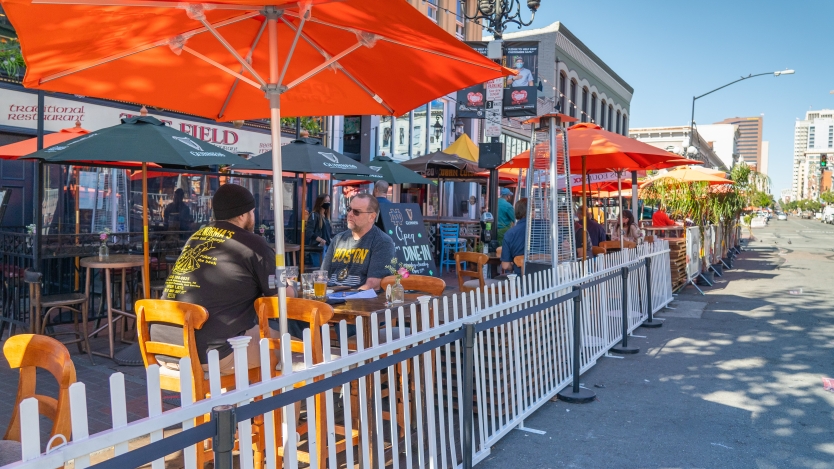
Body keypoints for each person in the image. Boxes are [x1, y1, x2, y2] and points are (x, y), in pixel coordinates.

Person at [156, 183, 292, 375]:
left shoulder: (196, 237)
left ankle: (236, 402)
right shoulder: (254, 244)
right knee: (291, 347)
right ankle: (277, 405)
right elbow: (282, 297)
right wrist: (292, 285)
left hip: (163, 348)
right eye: (252, 212)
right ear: (243, 215)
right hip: (208, 354)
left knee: (244, 335)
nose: (254, 216)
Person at [322, 193, 396, 291]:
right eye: (349, 209)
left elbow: (373, 285)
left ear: (372, 217)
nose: (350, 214)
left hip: (359, 300)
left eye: (356, 212)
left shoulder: (382, 242)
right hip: (330, 296)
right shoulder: (338, 239)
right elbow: (323, 275)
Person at [500, 198, 527, 275]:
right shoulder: (545, 229)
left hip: (520, 280)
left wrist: (512, 266)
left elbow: (505, 266)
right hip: (548, 279)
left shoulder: (510, 234)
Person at [306, 194, 332, 267]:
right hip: (318, 247)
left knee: (326, 269)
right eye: (325, 201)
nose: (327, 203)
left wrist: (330, 240)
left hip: (327, 246)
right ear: (320, 203)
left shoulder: (326, 216)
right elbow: (309, 232)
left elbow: (326, 233)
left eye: (329, 201)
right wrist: (320, 240)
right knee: (319, 269)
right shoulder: (314, 215)